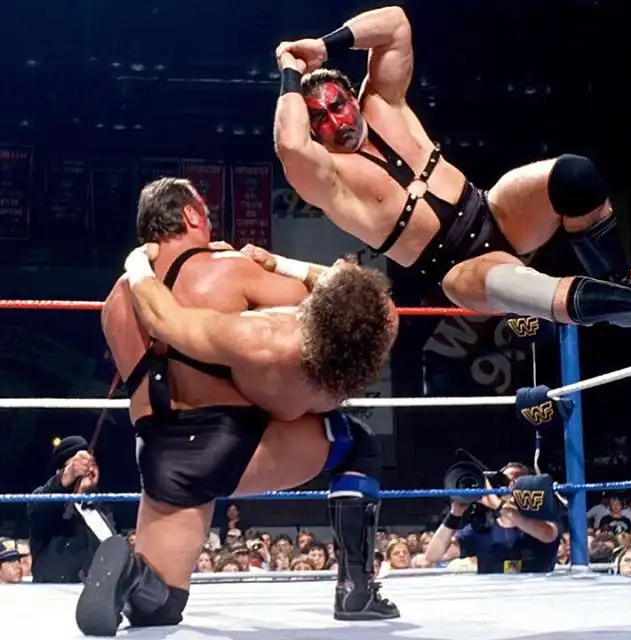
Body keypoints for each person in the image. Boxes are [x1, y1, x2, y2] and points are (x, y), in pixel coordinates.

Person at [75, 177, 399, 637]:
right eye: (204, 213)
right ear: (190, 215)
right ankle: (356, 590)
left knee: (161, 606)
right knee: (356, 445)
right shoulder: (226, 269)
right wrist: (273, 266)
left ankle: (130, 573)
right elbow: (339, 304)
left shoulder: (115, 301)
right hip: (230, 441)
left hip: (161, 455)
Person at [274, 5, 631, 329]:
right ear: (312, 130)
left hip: (495, 211)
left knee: (574, 176)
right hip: (459, 267)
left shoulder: (383, 102)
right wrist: (290, 71)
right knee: (539, 292)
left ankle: (621, 285)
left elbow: (395, 23)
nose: (336, 122)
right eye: (319, 118)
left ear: (352, 99)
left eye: (337, 106)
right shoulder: (329, 176)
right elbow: (289, 144)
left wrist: (323, 47)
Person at [425, 462, 561, 574]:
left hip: (536, 593)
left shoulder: (544, 520)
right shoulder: (482, 529)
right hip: (495, 597)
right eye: (504, 481)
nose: (509, 486)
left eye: (517, 480)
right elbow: (433, 556)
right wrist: (455, 514)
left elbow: (547, 534)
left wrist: (499, 506)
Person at [27, 436, 111, 583]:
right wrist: (67, 475)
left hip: (96, 593)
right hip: (56, 593)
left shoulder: (101, 508)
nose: (89, 468)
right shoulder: (47, 504)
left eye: (93, 463)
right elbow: (37, 509)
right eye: (81, 465)